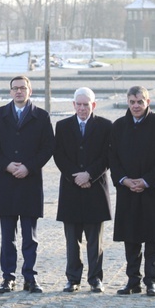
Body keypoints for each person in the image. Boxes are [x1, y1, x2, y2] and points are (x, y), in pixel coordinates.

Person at [0, 75, 54, 294]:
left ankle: (30, 276)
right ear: (10, 92)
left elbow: (47, 148)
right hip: (6, 182)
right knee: (8, 237)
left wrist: (29, 167)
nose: (18, 92)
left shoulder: (41, 116)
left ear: (30, 91)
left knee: (30, 236)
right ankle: (8, 277)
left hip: (30, 182)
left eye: (22, 88)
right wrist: (6, 165)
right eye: (15, 88)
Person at [110, 86, 155, 297]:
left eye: (140, 102)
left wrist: (145, 181)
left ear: (148, 101)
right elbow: (113, 158)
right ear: (127, 102)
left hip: (152, 189)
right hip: (127, 190)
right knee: (131, 236)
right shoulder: (118, 126)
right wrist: (125, 180)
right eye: (132, 102)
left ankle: (151, 281)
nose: (136, 106)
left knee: (152, 237)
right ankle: (133, 280)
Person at [53, 87, 112, 293]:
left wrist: (89, 175)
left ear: (93, 105)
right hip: (70, 189)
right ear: (73, 105)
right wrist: (74, 176)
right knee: (72, 240)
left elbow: (107, 156)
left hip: (95, 188)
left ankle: (95, 278)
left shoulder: (105, 126)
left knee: (95, 240)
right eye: (78, 104)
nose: (82, 108)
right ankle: (73, 278)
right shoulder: (62, 126)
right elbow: (58, 155)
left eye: (86, 104)